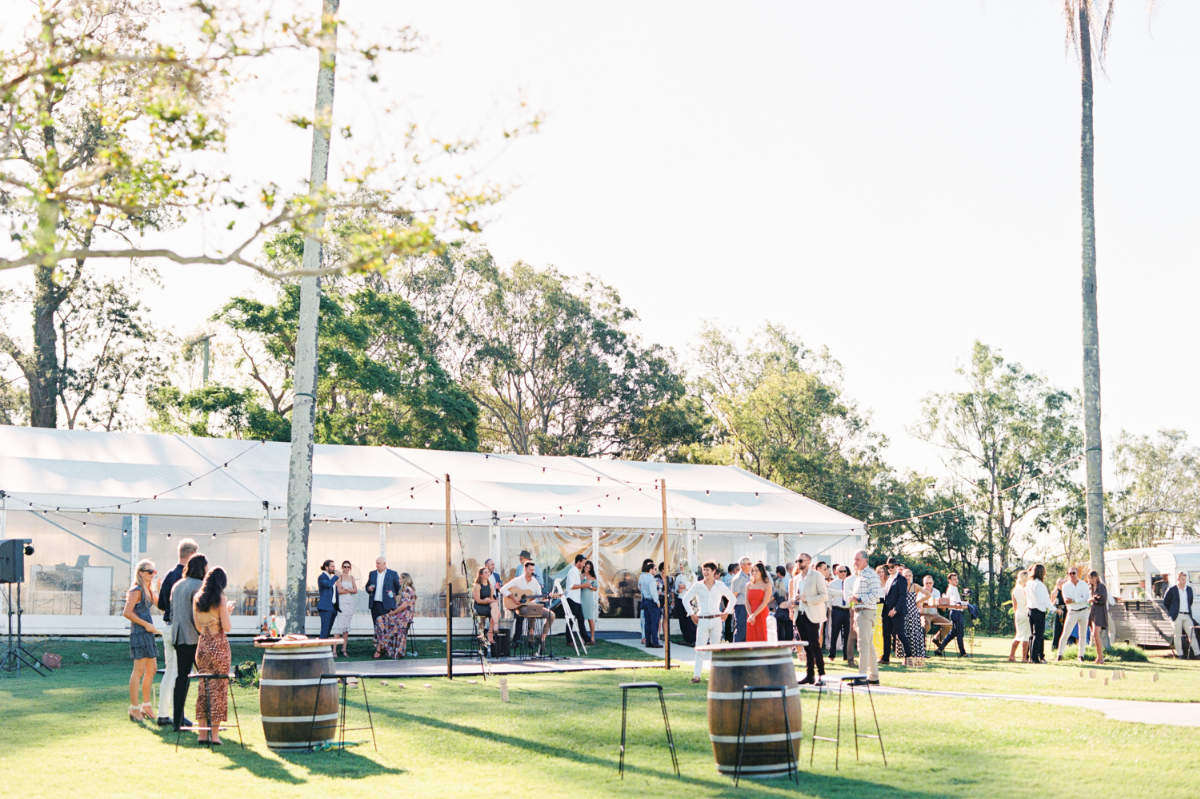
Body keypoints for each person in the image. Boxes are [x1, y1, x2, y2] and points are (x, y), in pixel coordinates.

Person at [155, 537, 198, 726]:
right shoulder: (188, 579)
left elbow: (162, 604)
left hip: (168, 626)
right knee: (182, 673)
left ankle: (163, 713)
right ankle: (179, 715)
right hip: (183, 630)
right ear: (192, 555)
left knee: (170, 672)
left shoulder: (169, 575)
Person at [192, 567, 232, 745]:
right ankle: (215, 736)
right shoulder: (221, 599)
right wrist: (228, 612)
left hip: (203, 645)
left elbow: (198, 627)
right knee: (218, 689)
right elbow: (228, 627)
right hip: (218, 644)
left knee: (203, 688)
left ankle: (202, 733)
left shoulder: (197, 599)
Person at [169, 551, 206, 731]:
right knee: (206, 677)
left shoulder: (177, 585)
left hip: (177, 635)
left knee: (181, 677)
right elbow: (198, 614)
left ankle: (177, 720)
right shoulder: (199, 586)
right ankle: (207, 721)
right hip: (194, 636)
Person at [682, 561, 736, 683]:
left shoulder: (720, 585)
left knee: (715, 649)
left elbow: (732, 598)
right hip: (703, 619)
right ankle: (696, 675)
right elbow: (686, 599)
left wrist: (727, 612)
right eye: (704, 570)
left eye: (708, 570)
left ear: (714, 572)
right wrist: (691, 614)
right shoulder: (698, 585)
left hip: (716, 619)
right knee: (700, 648)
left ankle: (715, 675)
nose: (705, 572)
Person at [122, 558, 159, 722]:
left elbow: (161, 605)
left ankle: (146, 705)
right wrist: (146, 625)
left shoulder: (148, 589)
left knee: (152, 669)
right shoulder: (135, 590)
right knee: (139, 670)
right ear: (141, 573)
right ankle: (134, 708)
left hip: (148, 632)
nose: (153, 574)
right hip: (139, 632)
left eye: (154, 571)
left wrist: (157, 589)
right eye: (150, 571)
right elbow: (127, 612)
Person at [502, 560, 556, 654]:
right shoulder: (518, 580)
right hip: (520, 607)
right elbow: (503, 589)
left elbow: (539, 597)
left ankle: (542, 639)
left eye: (533, 570)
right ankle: (531, 633)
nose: (532, 572)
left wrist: (546, 598)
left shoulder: (535, 582)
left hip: (532, 607)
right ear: (525, 569)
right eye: (530, 570)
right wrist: (513, 598)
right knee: (532, 609)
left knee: (551, 615)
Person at [846, 550, 881, 684]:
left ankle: (861, 676)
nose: (855, 562)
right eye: (854, 559)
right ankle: (873, 676)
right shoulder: (860, 575)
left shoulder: (871, 575)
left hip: (866, 612)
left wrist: (859, 598)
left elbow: (876, 595)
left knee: (863, 645)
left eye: (857, 559)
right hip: (860, 612)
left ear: (865, 560)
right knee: (869, 645)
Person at [793, 553, 828, 685]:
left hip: (812, 614)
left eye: (800, 560)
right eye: (797, 560)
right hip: (800, 614)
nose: (798, 563)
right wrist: (794, 601)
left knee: (815, 645)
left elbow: (824, 596)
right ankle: (810, 675)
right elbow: (798, 596)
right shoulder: (797, 578)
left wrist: (807, 599)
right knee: (807, 646)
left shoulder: (817, 576)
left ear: (808, 561)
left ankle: (821, 675)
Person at [375, 572, 417, 658]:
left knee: (380, 620)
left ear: (405, 580)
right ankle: (385, 645)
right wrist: (393, 595)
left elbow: (404, 605)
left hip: (403, 618)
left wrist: (393, 613)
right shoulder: (409, 589)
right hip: (403, 616)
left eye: (400, 579)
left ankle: (383, 645)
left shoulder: (407, 589)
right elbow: (402, 601)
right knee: (382, 620)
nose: (399, 580)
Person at [365, 557, 401, 655]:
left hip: (386, 605)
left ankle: (383, 649)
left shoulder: (392, 574)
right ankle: (380, 648)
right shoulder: (372, 574)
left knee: (385, 628)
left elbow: (398, 589)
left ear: (385, 564)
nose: (377, 565)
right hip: (375, 604)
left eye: (379, 563)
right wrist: (369, 588)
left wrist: (392, 594)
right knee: (376, 627)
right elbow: (366, 587)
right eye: (376, 563)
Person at [1057, 567, 1091, 662]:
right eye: (1070, 573)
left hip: (1084, 611)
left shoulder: (1084, 584)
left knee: (1083, 634)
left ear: (1077, 573)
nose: (1071, 575)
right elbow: (1067, 600)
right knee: (1065, 634)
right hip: (1072, 612)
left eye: (1073, 573)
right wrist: (1078, 601)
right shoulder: (1065, 586)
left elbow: (1086, 598)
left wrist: (1075, 600)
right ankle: (1059, 655)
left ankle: (1081, 655)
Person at [1164, 571, 1198, 659]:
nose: (1184, 581)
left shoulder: (1189, 589)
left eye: (1185, 579)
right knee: (1177, 635)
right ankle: (1180, 654)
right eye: (1182, 579)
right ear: (1178, 579)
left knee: (1192, 634)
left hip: (1187, 615)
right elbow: (1166, 602)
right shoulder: (1172, 590)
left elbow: (1190, 601)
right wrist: (1172, 611)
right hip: (1177, 615)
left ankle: (1197, 653)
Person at [895, 568, 925, 667]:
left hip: (912, 613)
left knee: (914, 635)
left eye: (909, 576)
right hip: (902, 613)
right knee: (904, 635)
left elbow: (928, 594)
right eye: (905, 576)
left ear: (912, 577)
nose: (907, 578)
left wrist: (918, 601)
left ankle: (916, 660)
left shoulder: (915, 586)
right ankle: (905, 659)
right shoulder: (900, 586)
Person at [917, 574, 953, 655]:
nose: (928, 585)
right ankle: (921, 646)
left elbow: (938, 603)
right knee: (926, 626)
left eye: (930, 583)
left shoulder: (936, 591)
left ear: (933, 583)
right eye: (927, 583)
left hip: (934, 614)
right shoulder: (920, 591)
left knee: (949, 624)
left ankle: (936, 638)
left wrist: (943, 603)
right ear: (923, 583)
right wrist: (930, 602)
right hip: (924, 614)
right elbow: (919, 603)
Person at [880, 559, 907, 665]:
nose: (890, 569)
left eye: (892, 567)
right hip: (886, 610)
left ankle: (908, 657)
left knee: (900, 634)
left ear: (896, 567)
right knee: (886, 634)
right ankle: (885, 658)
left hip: (897, 611)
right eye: (888, 567)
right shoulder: (889, 579)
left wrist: (895, 609)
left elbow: (902, 596)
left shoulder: (901, 579)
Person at [330, 560, 358, 657]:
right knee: (339, 627)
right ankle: (334, 650)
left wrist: (347, 590)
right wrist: (349, 591)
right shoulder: (339, 577)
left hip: (350, 604)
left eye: (348, 567)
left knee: (346, 628)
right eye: (344, 567)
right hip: (342, 603)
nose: (346, 568)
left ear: (350, 568)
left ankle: (344, 649)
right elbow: (339, 591)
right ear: (342, 567)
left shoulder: (352, 578)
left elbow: (355, 590)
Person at [1026, 564, 1051, 664]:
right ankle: (1034, 658)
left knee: (1033, 635)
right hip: (1039, 611)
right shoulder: (1040, 585)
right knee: (1038, 635)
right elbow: (1045, 600)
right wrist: (1054, 609)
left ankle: (1032, 656)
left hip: (1030, 610)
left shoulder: (1029, 583)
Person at [472, 566, 500, 651]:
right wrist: (487, 600)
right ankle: (491, 631)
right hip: (479, 607)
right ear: (481, 575)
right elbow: (478, 600)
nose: (488, 574)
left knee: (494, 607)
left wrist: (490, 600)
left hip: (488, 606)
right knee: (495, 611)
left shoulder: (490, 586)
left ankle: (490, 631)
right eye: (486, 572)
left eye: (488, 572)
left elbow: (491, 598)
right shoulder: (477, 586)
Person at [745, 562, 771, 642]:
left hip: (761, 613)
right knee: (751, 637)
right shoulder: (748, 585)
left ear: (762, 572)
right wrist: (750, 615)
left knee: (762, 636)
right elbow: (746, 601)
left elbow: (765, 602)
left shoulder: (767, 585)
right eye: (752, 570)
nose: (754, 573)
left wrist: (754, 615)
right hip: (750, 614)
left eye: (757, 570)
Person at [1009, 570, 1031, 663]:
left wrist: (1016, 613)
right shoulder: (1027, 589)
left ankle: (1012, 655)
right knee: (1026, 636)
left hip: (1018, 613)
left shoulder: (1015, 590)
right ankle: (1024, 657)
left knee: (1018, 635)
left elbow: (1014, 605)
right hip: (1026, 612)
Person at [638, 561, 662, 648]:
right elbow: (653, 592)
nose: (656, 571)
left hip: (645, 600)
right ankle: (655, 642)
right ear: (651, 569)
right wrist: (657, 601)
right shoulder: (651, 579)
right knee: (654, 622)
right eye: (655, 569)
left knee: (647, 622)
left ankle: (648, 642)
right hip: (652, 601)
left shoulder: (641, 576)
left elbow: (639, 587)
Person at [944, 572, 968, 657]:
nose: (956, 581)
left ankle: (940, 649)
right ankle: (963, 653)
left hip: (956, 612)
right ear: (949, 580)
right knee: (960, 633)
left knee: (953, 633)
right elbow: (955, 602)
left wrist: (965, 601)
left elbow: (957, 601)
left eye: (956, 579)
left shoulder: (954, 588)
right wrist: (965, 603)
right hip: (955, 612)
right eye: (954, 579)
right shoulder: (951, 589)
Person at [1087, 570, 1108, 665]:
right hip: (1093, 612)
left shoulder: (1101, 587)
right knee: (1094, 635)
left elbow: (1103, 599)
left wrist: (1093, 599)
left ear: (1095, 577)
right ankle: (1099, 657)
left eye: (1090, 578)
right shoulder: (1090, 588)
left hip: (1100, 612)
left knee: (1096, 634)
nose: (1089, 580)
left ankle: (1101, 657)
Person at [731, 556, 752, 643]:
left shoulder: (750, 576)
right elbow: (733, 595)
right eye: (749, 564)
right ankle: (736, 651)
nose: (751, 565)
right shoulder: (738, 578)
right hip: (741, 607)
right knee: (741, 631)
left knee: (748, 631)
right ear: (742, 565)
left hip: (749, 607)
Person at [317, 559, 338, 640]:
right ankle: (320, 650)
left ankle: (324, 649)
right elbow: (328, 585)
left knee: (328, 632)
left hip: (333, 608)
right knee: (324, 631)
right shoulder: (322, 577)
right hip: (325, 607)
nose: (334, 568)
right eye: (332, 566)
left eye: (334, 566)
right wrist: (336, 576)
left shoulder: (331, 578)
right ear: (326, 567)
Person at [772, 565, 794, 643]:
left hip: (781, 607)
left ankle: (782, 642)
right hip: (788, 606)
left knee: (781, 629)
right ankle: (788, 642)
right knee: (788, 627)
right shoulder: (789, 580)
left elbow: (773, 596)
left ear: (778, 573)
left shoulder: (778, 582)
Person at [580, 559, 600, 645]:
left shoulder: (593, 578)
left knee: (590, 619)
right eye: (586, 567)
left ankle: (592, 637)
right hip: (580, 599)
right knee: (581, 620)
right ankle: (583, 638)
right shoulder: (580, 576)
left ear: (591, 569)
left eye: (589, 568)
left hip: (588, 600)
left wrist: (590, 586)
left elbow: (595, 588)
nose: (587, 569)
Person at [1051, 577, 1067, 650]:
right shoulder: (1055, 592)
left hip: (1067, 611)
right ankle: (1055, 646)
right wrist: (1057, 609)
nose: (1061, 584)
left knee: (1066, 629)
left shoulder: (1066, 591)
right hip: (1059, 612)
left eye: (1062, 582)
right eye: (1059, 583)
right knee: (1057, 629)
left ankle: (1065, 646)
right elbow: (1051, 604)